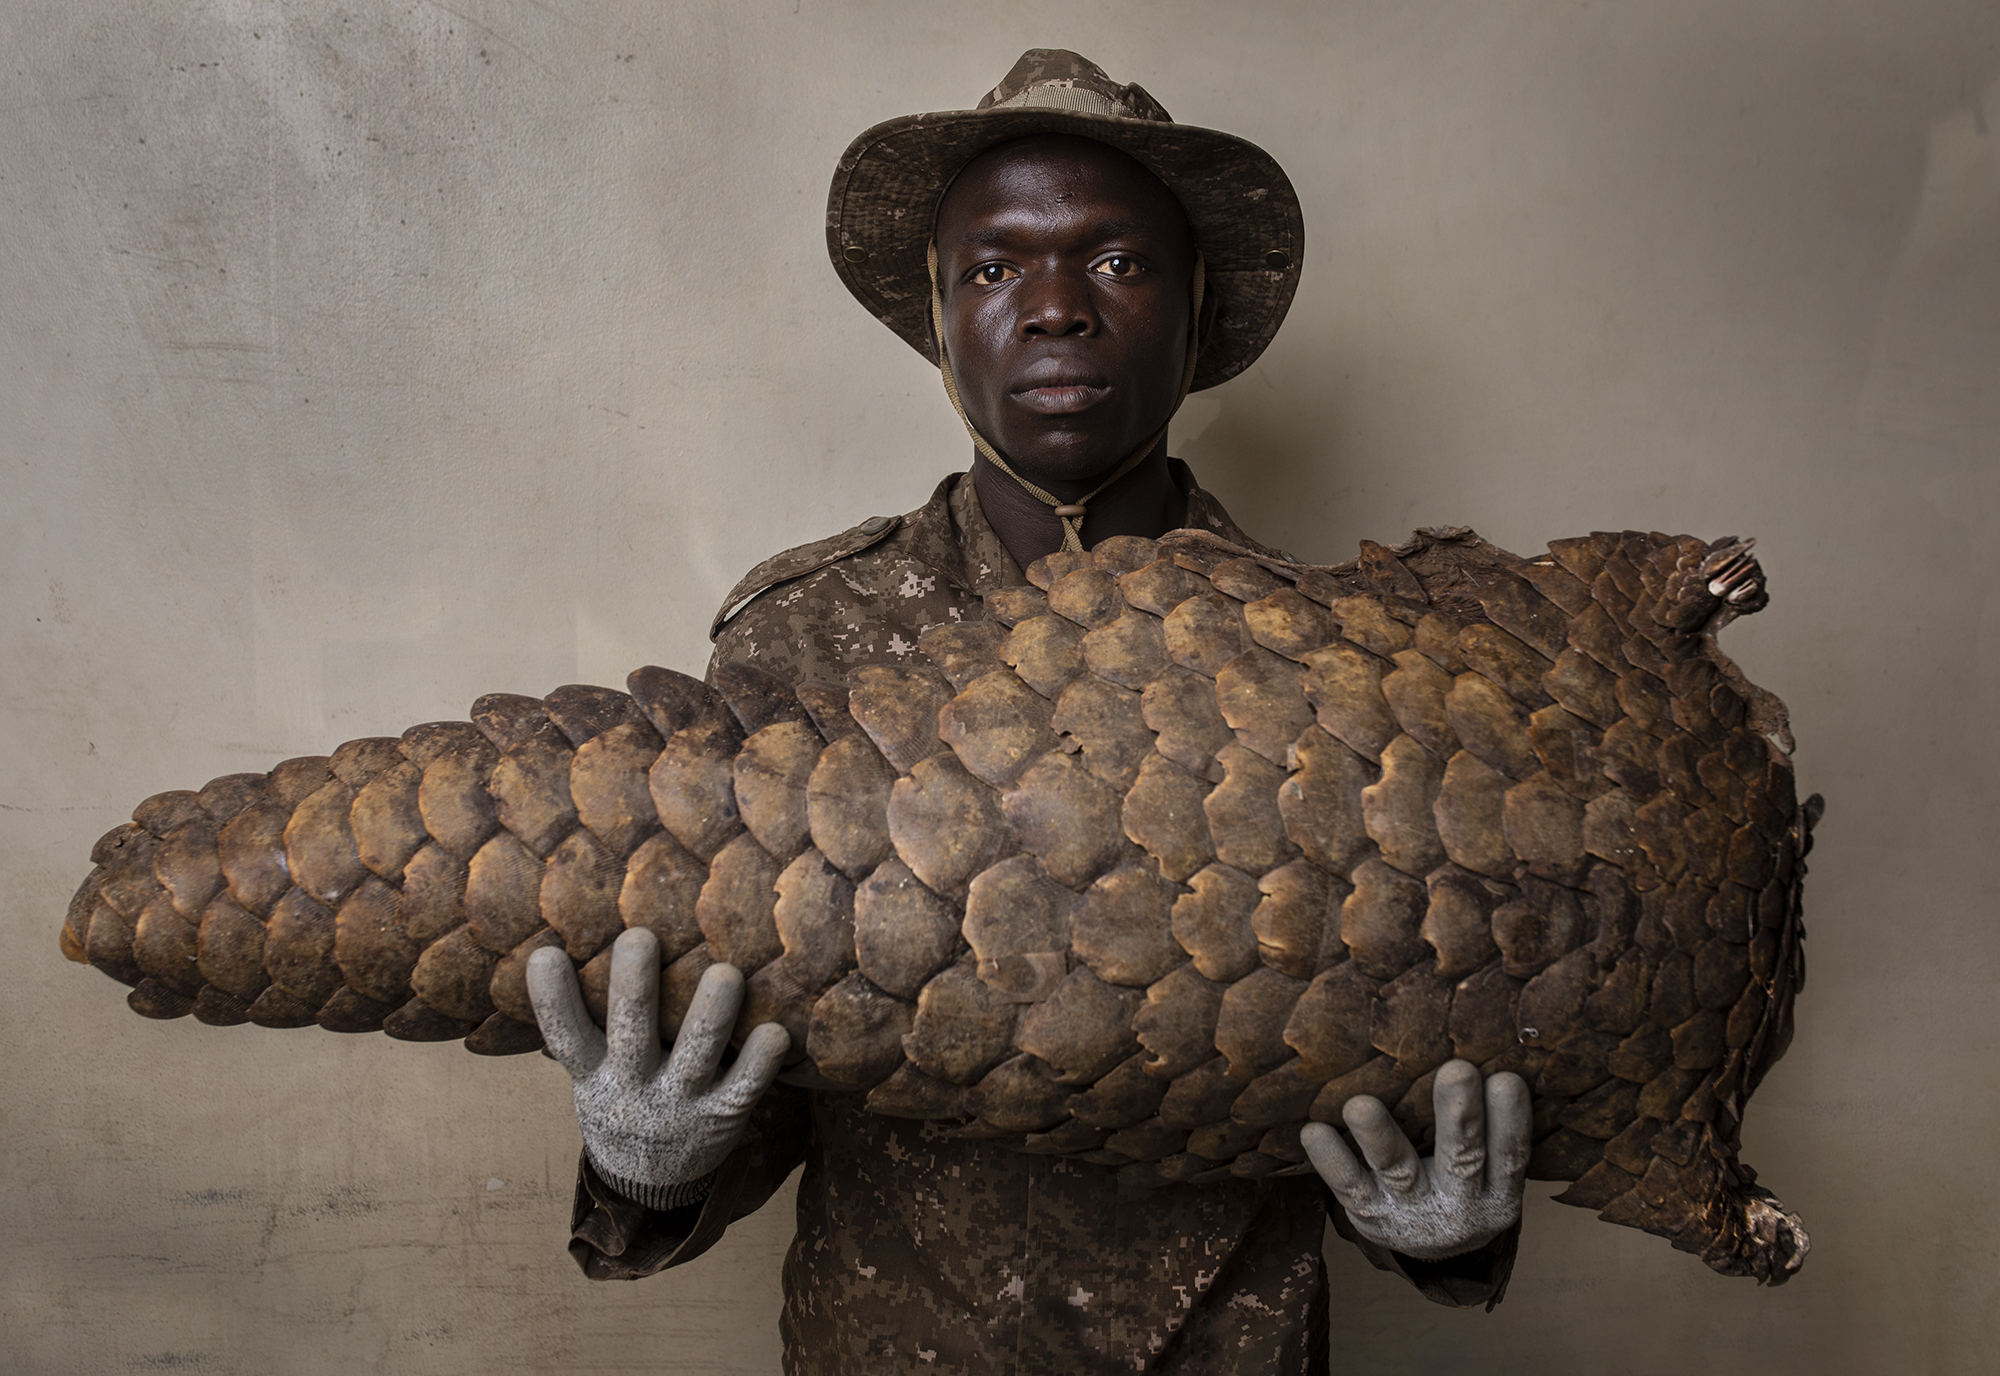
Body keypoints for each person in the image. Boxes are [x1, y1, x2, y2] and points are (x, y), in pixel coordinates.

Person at [527, 50, 1531, 1374]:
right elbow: (755, 1063)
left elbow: (1400, 1075)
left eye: (1116, 262)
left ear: (1198, 305)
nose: (1054, 309)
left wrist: (1448, 1232)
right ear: (939, 327)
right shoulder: (807, 635)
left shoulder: (1353, 675)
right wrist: (646, 1167)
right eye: (993, 270)